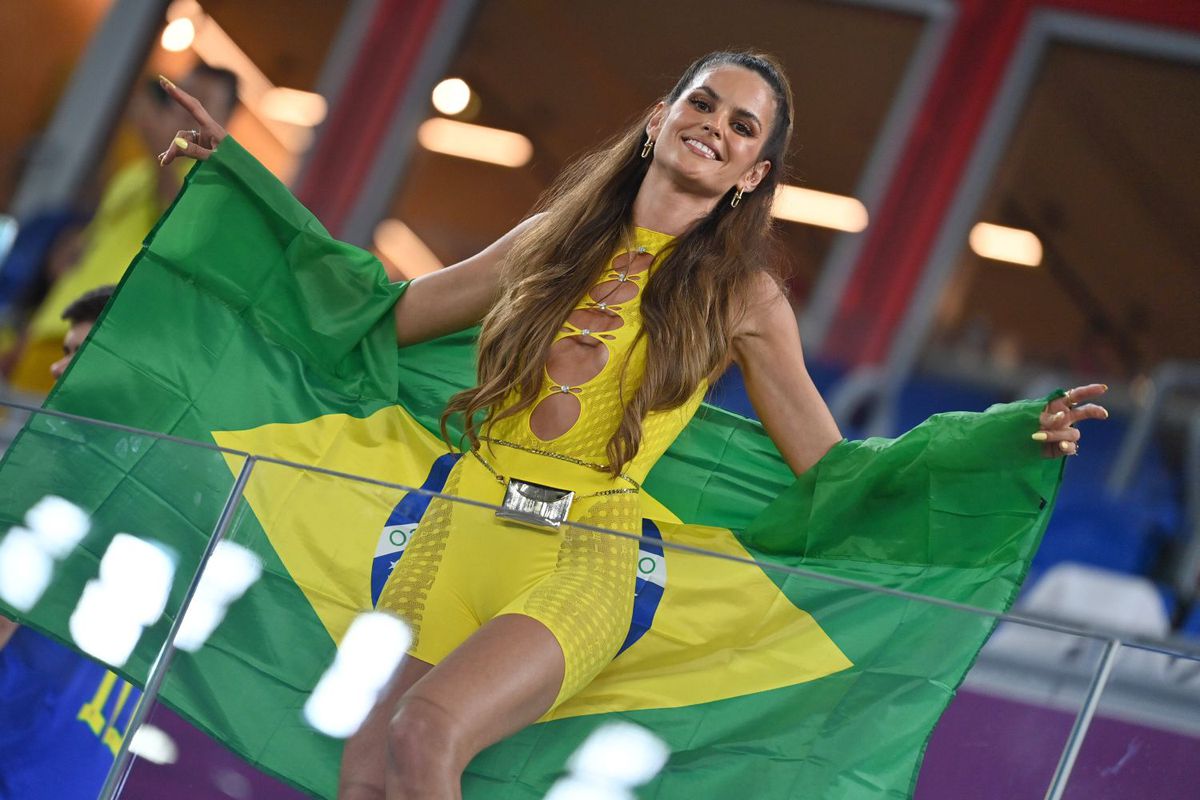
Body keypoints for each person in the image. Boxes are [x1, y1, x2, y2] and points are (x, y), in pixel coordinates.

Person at [158, 51, 1108, 800]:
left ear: (753, 172)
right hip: (449, 532)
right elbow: (376, 315)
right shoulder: (551, 239)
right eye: (701, 104)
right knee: (365, 779)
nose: (713, 129)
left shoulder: (747, 297)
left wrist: (996, 440)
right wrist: (250, 191)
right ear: (660, 118)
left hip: (582, 557)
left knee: (425, 732)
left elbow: (835, 469)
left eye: (741, 127)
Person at [8, 65, 238, 393]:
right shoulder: (132, 175)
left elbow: (175, 225)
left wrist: (164, 146)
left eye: (201, 100)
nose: (184, 106)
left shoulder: (215, 186)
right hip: (48, 336)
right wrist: (27, 335)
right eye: (181, 94)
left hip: (100, 345)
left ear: (225, 119)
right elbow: (75, 266)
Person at [0, 284, 142, 800]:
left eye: (79, 353)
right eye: (63, 351)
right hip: (79, 773)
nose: (58, 369)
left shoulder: (57, 472)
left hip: (15, 756)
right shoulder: (174, 490)